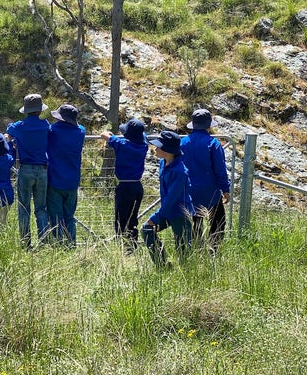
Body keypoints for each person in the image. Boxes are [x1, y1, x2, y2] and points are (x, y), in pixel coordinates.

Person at [141, 131, 195, 267]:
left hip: (181, 213)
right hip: (168, 210)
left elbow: (172, 198)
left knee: (183, 248)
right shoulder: (162, 163)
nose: (155, 148)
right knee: (147, 230)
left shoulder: (180, 172)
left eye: (158, 146)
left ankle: (188, 275)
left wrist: (156, 217)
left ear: (168, 150)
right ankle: (163, 265)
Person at [181, 108, 231, 251]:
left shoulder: (182, 143)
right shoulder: (213, 143)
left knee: (195, 220)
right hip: (210, 190)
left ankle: (196, 248)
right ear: (209, 125)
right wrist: (225, 189)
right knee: (218, 220)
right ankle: (213, 249)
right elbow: (220, 169)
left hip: (189, 189)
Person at [98, 118, 149, 252]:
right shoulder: (144, 145)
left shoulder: (122, 144)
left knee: (121, 218)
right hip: (138, 186)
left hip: (125, 186)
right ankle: (132, 245)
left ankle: (124, 248)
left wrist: (111, 134)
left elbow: (104, 134)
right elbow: (143, 136)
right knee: (132, 218)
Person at [6, 93, 50, 248]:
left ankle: (26, 243)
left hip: (25, 169)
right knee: (41, 208)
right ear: (39, 110)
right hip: (43, 170)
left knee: (24, 207)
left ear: (26, 110)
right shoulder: (45, 125)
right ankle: (44, 241)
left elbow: (9, 129)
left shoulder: (19, 127)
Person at [46, 104, 86, 247]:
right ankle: (71, 243)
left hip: (55, 179)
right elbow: (81, 127)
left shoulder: (53, 131)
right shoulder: (81, 131)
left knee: (56, 216)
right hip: (72, 181)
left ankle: (58, 244)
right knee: (69, 216)